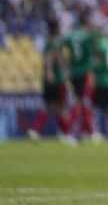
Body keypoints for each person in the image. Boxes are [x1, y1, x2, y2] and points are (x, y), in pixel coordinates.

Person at [26, 17, 77, 146]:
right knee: (62, 108)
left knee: (48, 106)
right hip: (56, 79)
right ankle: (67, 134)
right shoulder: (54, 43)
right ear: (55, 29)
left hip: (49, 80)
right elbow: (51, 58)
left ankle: (35, 130)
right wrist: (52, 71)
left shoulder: (47, 42)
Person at [63, 10, 95, 141]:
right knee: (81, 101)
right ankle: (70, 132)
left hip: (73, 72)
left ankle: (85, 131)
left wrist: (67, 66)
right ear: (86, 23)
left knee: (81, 101)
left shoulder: (70, 36)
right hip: (84, 72)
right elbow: (91, 55)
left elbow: (61, 49)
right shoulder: (87, 37)